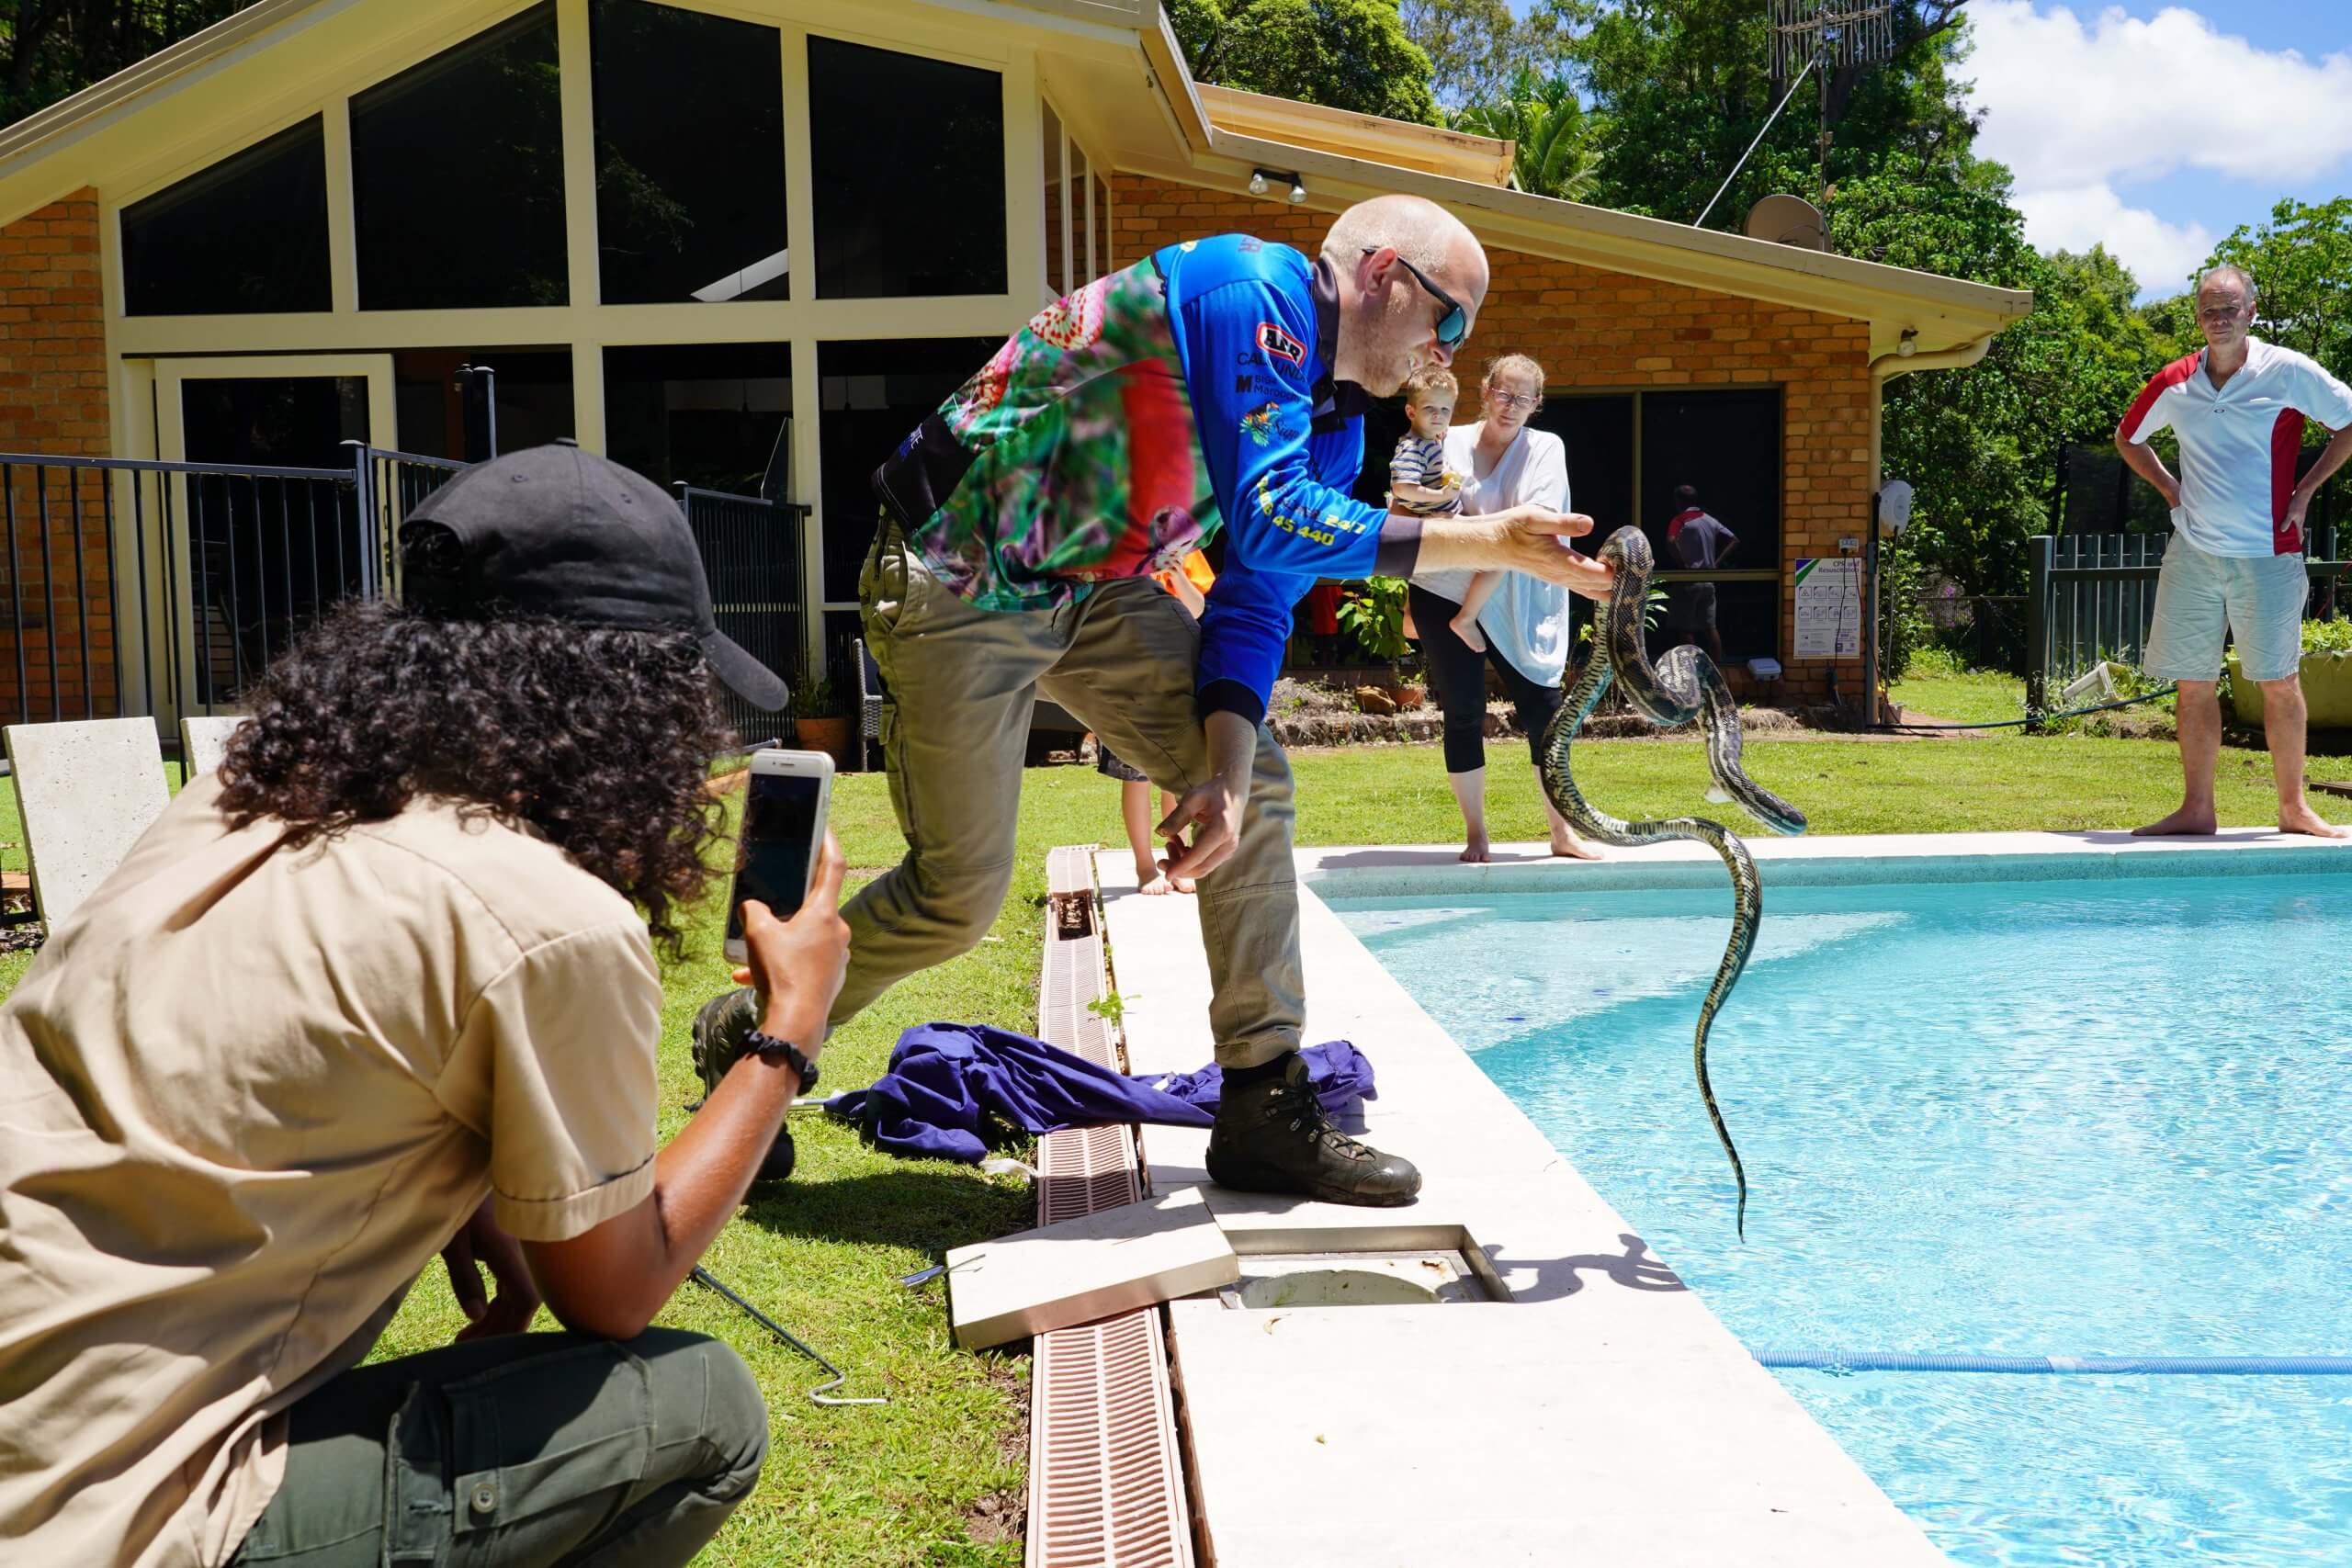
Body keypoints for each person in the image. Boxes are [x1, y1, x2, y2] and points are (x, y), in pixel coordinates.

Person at [0, 444, 853, 1567]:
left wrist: (475, 1198)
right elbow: (617, 1294)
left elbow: (282, 1059)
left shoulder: (235, 802)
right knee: (702, 1408)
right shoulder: (545, 922)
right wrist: (787, 1030)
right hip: (96, 1516)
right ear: (627, 702)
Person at [825, 195, 1613, 1207]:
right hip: (960, 568)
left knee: (1260, 786)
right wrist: (1487, 539)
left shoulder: (1333, 429)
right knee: (954, 899)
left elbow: (1255, 599)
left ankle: (1262, 1109)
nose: (1445, 353)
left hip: (1092, 587)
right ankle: (760, 1035)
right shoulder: (1253, 291)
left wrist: (1225, 779)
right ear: (1384, 276)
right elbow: (1272, 517)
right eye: (1448, 318)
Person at [2119, 263, 2352, 839]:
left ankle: (2294, 808)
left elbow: (2348, 424)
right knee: (2192, 683)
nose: (2218, 319)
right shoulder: (2175, 380)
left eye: (2229, 309)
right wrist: (2171, 491)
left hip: (2268, 554)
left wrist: (2305, 492)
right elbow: (2129, 437)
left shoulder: (2287, 370)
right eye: (2209, 310)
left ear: (2251, 312)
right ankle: (2197, 810)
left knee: (2278, 680)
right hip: (2193, 554)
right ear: (2198, 317)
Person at [1408, 354, 1602, 863]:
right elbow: (1413, 512)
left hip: (1518, 596)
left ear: (1536, 404)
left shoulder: (1546, 447)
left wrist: (1472, 530)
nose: (1510, 405)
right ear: (1485, 391)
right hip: (1442, 588)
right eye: (1502, 393)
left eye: (1522, 398)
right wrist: (1490, 532)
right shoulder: (1445, 438)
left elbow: (1533, 525)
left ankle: (1562, 832)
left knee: (1545, 713)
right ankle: (1476, 834)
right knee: (1463, 712)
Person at [1105, 549, 1216, 895]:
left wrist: (1177, 574)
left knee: (1176, 776)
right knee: (1135, 777)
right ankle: (1144, 864)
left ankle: (1177, 860)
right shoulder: (1117, 548)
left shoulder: (1185, 550)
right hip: (1127, 682)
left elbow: (1197, 608)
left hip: (1175, 680)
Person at [1665, 484, 1736, 663]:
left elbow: (1671, 541)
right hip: (1708, 581)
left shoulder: (1680, 520)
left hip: (1689, 581)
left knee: (1684, 628)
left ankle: (1691, 667)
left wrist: (1682, 563)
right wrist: (1716, 563)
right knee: (1710, 628)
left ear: (1678, 501)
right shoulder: (1709, 520)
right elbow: (1734, 540)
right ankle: (1717, 667)